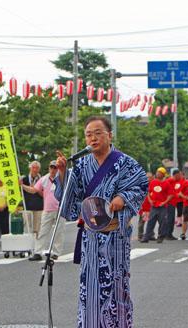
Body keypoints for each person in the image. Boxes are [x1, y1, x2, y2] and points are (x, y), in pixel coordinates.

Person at [54, 116, 148, 328]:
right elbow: (70, 197)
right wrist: (62, 173)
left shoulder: (126, 163)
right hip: (90, 235)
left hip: (114, 237)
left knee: (115, 285)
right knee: (90, 286)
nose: (93, 138)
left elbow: (140, 186)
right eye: (89, 134)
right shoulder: (81, 165)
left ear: (109, 135)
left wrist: (122, 198)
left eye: (98, 133)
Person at [25, 161, 63, 261]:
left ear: (58, 168)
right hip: (47, 209)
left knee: (58, 232)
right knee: (42, 232)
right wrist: (22, 186)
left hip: (60, 208)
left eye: (55, 167)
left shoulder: (62, 177)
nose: (53, 169)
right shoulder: (44, 179)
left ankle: (56, 252)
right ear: (49, 168)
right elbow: (34, 190)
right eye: (51, 167)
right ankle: (38, 252)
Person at [140, 167, 171, 243]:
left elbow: (170, 195)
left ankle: (160, 237)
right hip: (153, 206)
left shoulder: (166, 183)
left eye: (159, 173)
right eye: (157, 172)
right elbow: (148, 192)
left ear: (163, 174)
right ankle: (146, 237)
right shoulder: (153, 182)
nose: (157, 174)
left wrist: (164, 202)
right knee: (150, 221)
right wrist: (150, 200)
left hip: (162, 206)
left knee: (162, 222)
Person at [21, 161, 44, 238]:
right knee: (27, 227)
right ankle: (27, 244)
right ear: (30, 168)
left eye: (37, 168)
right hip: (27, 206)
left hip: (39, 207)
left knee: (37, 228)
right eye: (33, 167)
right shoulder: (23, 179)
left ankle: (36, 245)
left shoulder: (42, 179)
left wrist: (35, 189)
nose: (35, 170)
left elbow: (44, 194)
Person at [165, 169, 184, 240]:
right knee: (169, 219)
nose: (181, 176)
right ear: (176, 175)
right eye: (180, 175)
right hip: (169, 203)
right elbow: (168, 191)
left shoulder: (176, 181)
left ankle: (170, 234)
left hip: (173, 202)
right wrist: (175, 194)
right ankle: (167, 234)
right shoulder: (169, 181)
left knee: (172, 219)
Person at [138, 172, 153, 241]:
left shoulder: (153, 185)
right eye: (147, 177)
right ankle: (140, 235)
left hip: (151, 206)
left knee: (152, 221)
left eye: (150, 177)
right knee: (142, 222)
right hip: (143, 207)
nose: (148, 179)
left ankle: (151, 235)